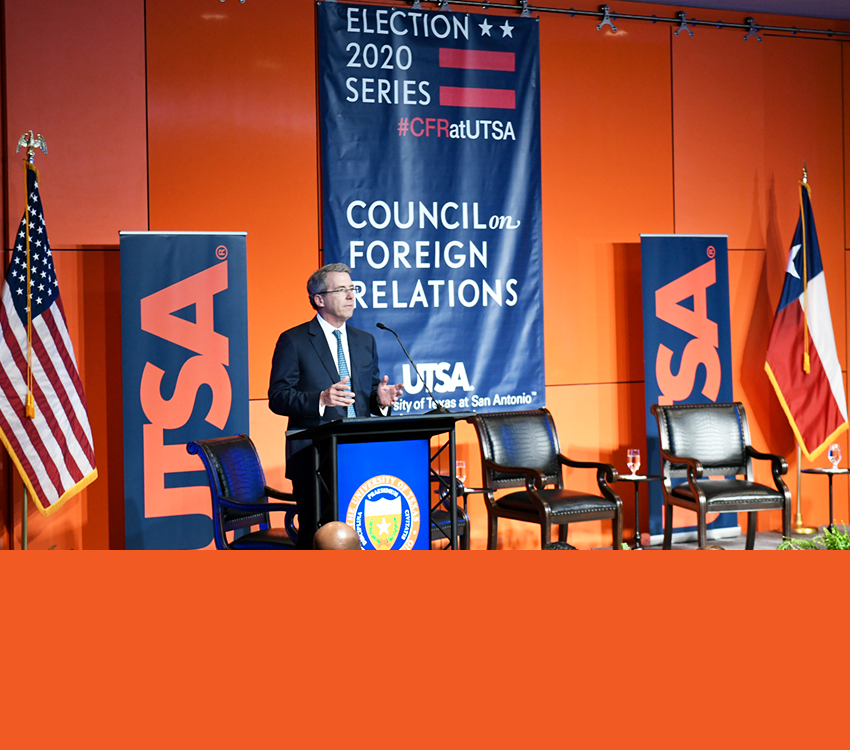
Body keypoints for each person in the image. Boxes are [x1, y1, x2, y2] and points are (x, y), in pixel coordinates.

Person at [269, 263, 403, 548]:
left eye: (352, 289)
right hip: (314, 458)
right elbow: (278, 397)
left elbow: (367, 393)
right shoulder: (293, 341)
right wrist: (320, 399)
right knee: (318, 537)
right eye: (341, 290)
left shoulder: (364, 340)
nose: (351, 296)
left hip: (360, 451)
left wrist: (380, 400)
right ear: (319, 299)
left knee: (364, 531)